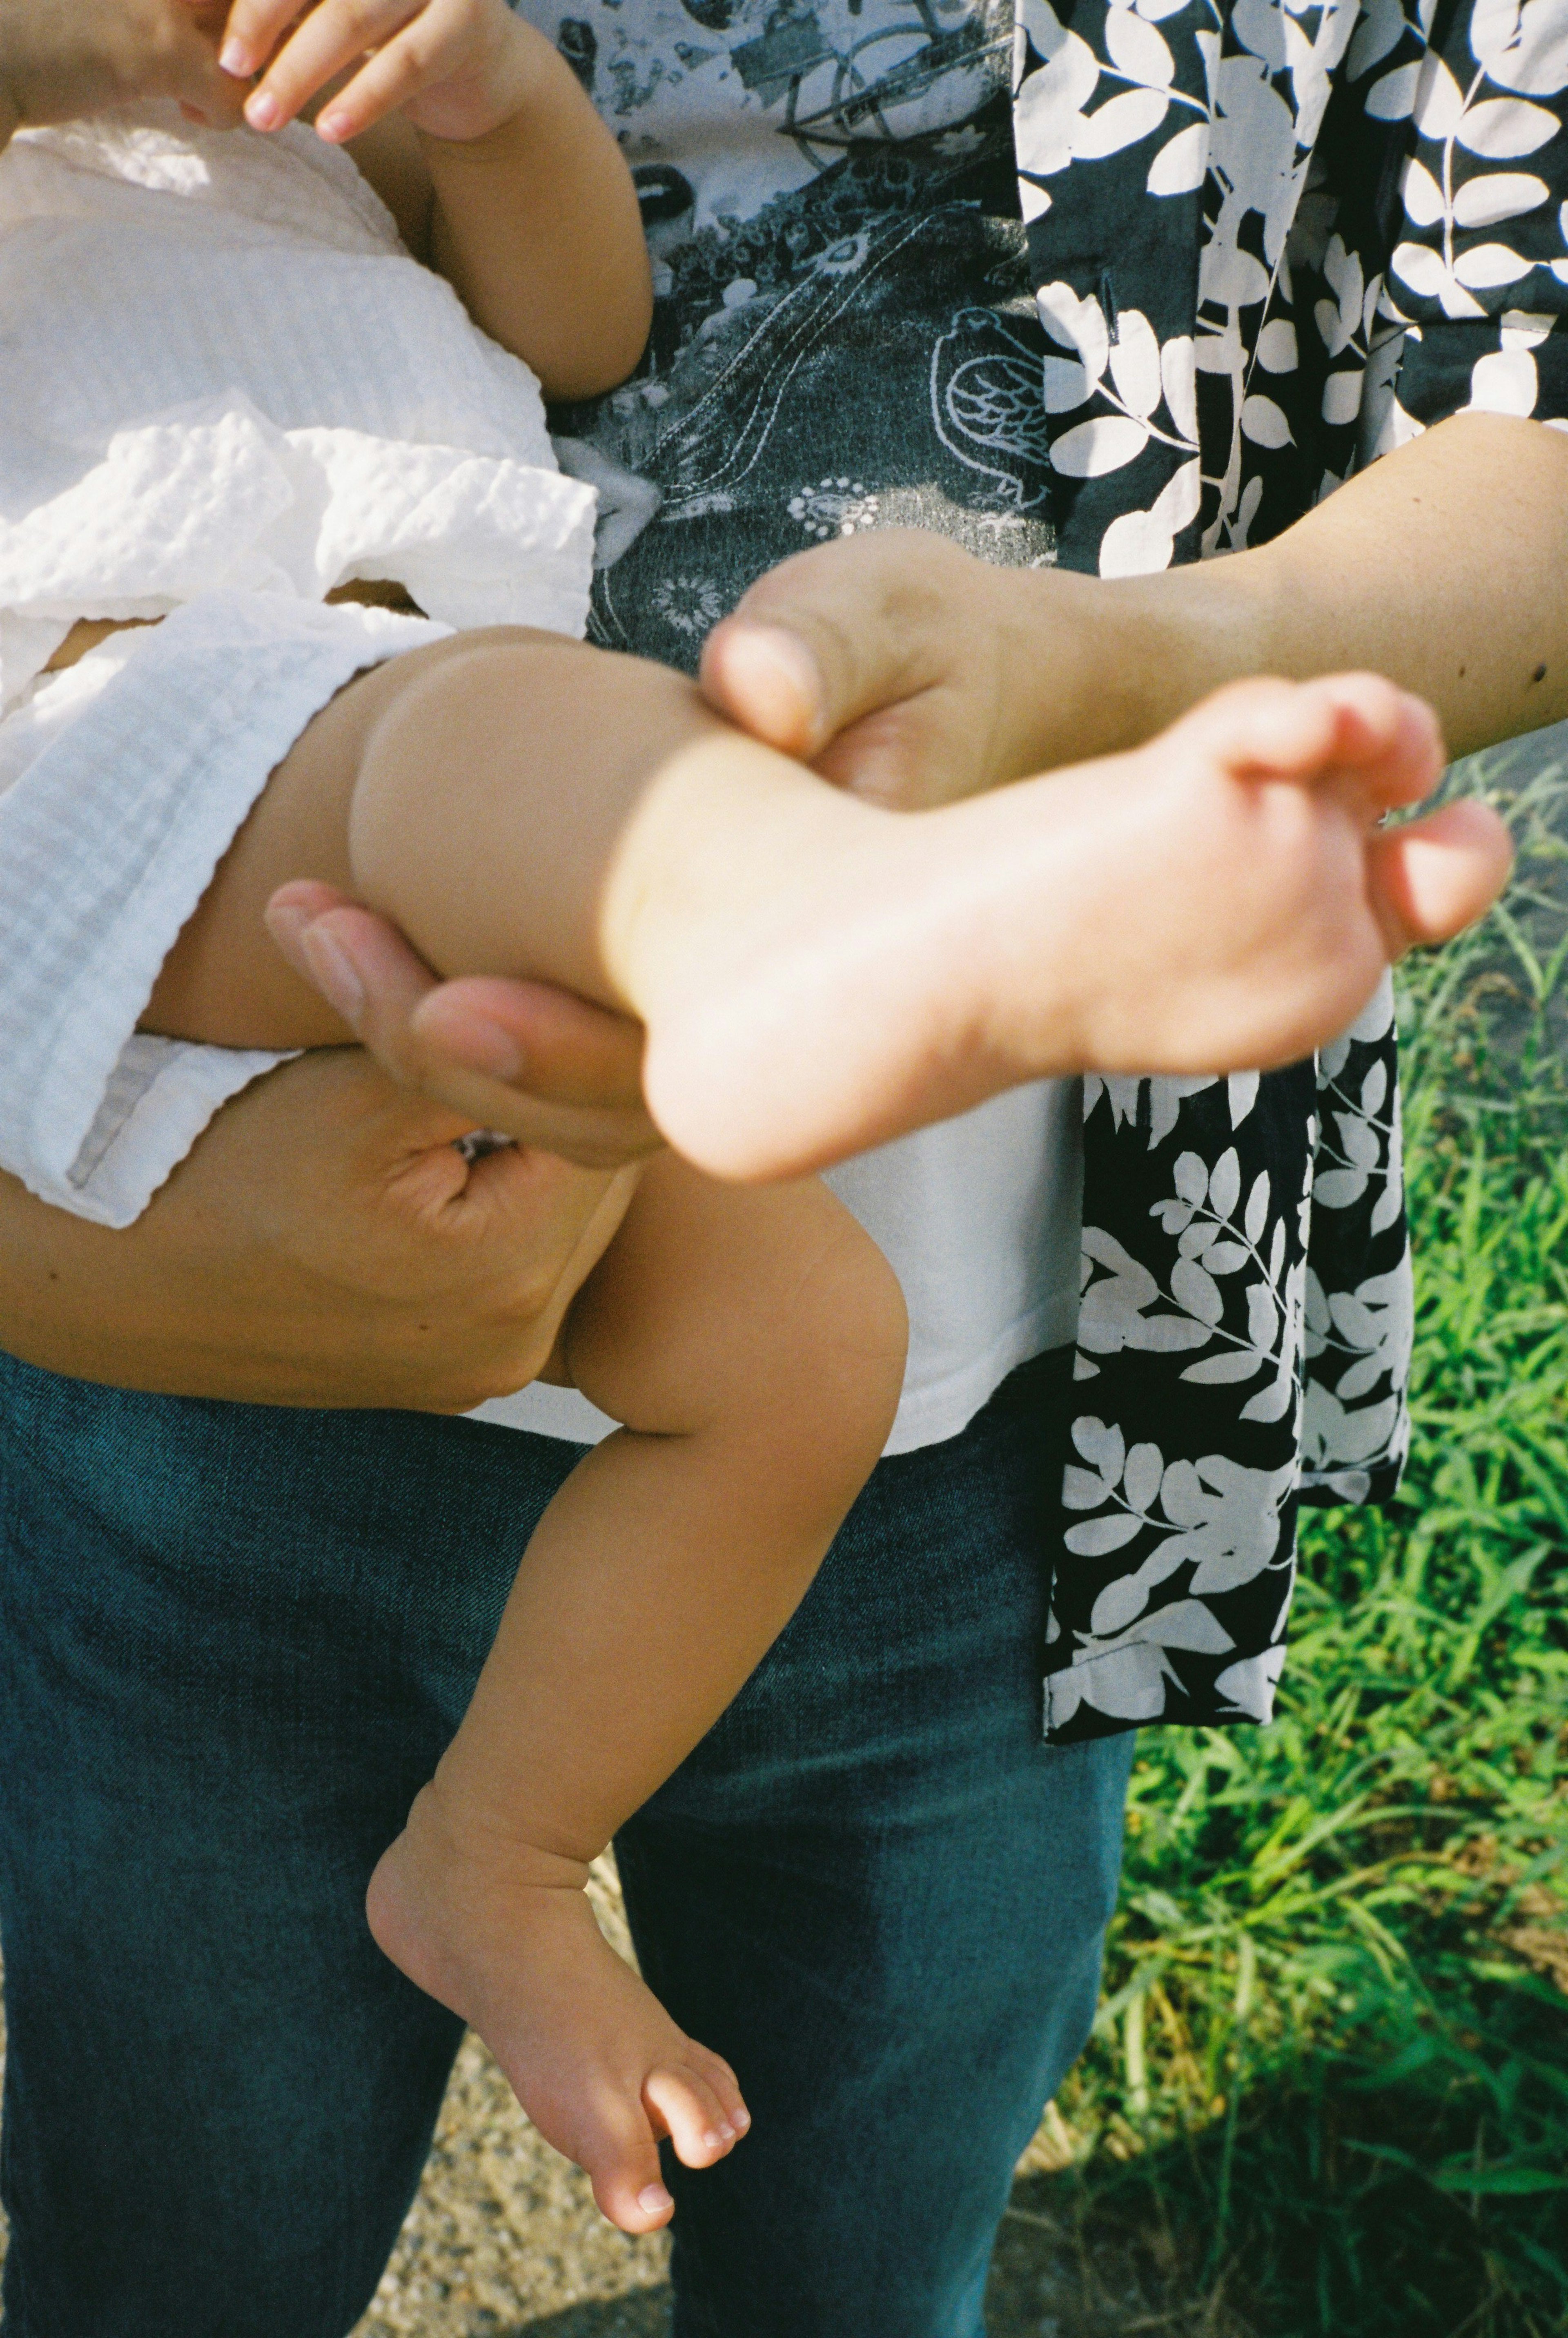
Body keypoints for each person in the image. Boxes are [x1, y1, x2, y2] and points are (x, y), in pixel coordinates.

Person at [0, 6, 1563, 2338]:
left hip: (865, 1289)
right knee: (173, 2257)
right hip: (139, 740)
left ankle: (497, 1857)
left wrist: (492, 103)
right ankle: (810, 925)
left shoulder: (264, 131)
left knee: (800, 1341)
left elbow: (574, 325)